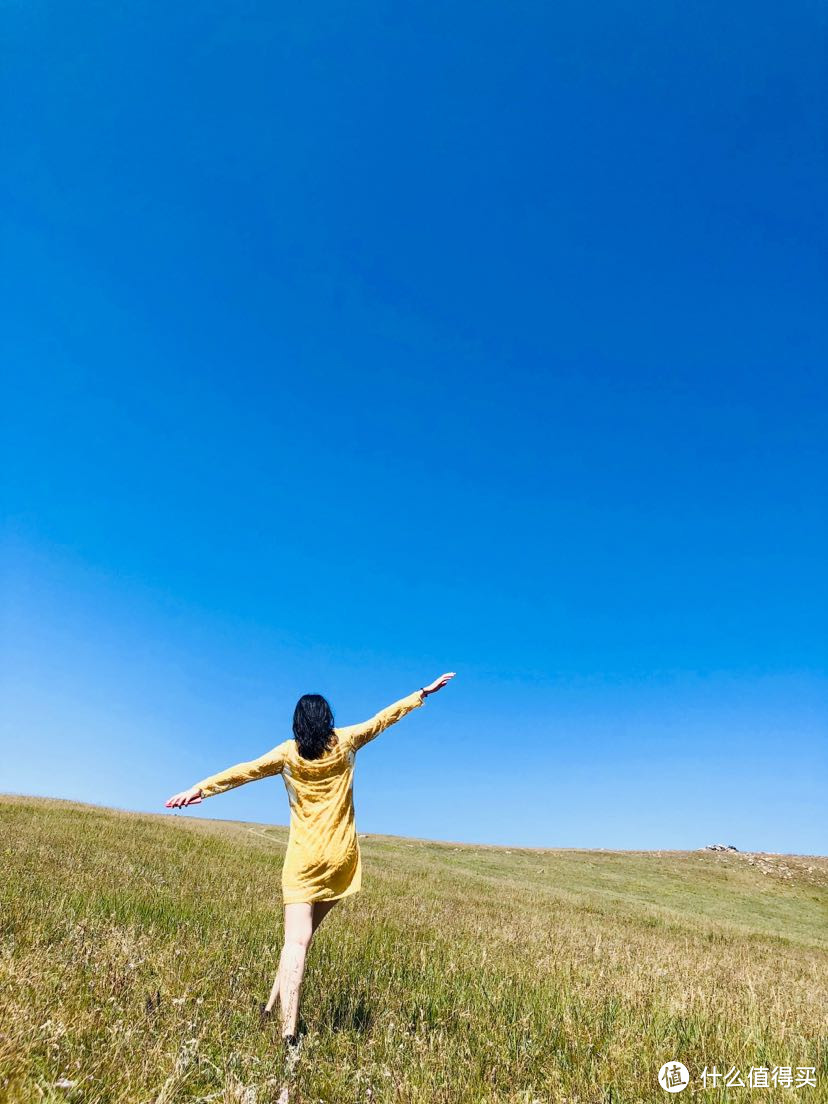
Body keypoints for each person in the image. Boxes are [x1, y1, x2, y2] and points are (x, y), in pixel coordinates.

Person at [165, 672, 455, 1049]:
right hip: (339, 856)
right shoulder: (346, 742)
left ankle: (288, 1033)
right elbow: (384, 718)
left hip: (303, 860)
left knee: (294, 942)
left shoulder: (288, 753)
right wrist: (421, 694)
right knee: (300, 941)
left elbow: (244, 771)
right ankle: (269, 1008)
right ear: (328, 719)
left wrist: (199, 789)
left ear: (298, 723)